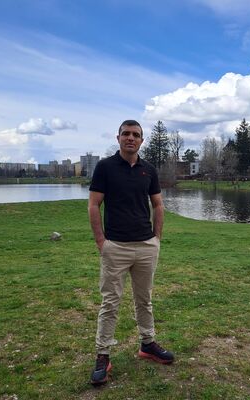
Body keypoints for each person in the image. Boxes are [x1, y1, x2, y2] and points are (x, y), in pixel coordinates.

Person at [88, 119, 174, 386]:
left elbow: (158, 205)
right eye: (126, 134)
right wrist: (101, 241)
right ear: (118, 138)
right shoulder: (105, 167)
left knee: (144, 299)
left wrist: (156, 239)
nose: (130, 138)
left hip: (146, 246)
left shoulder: (149, 170)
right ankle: (103, 355)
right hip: (116, 247)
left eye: (136, 135)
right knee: (110, 302)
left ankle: (147, 344)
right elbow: (94, 205)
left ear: (141, 140)